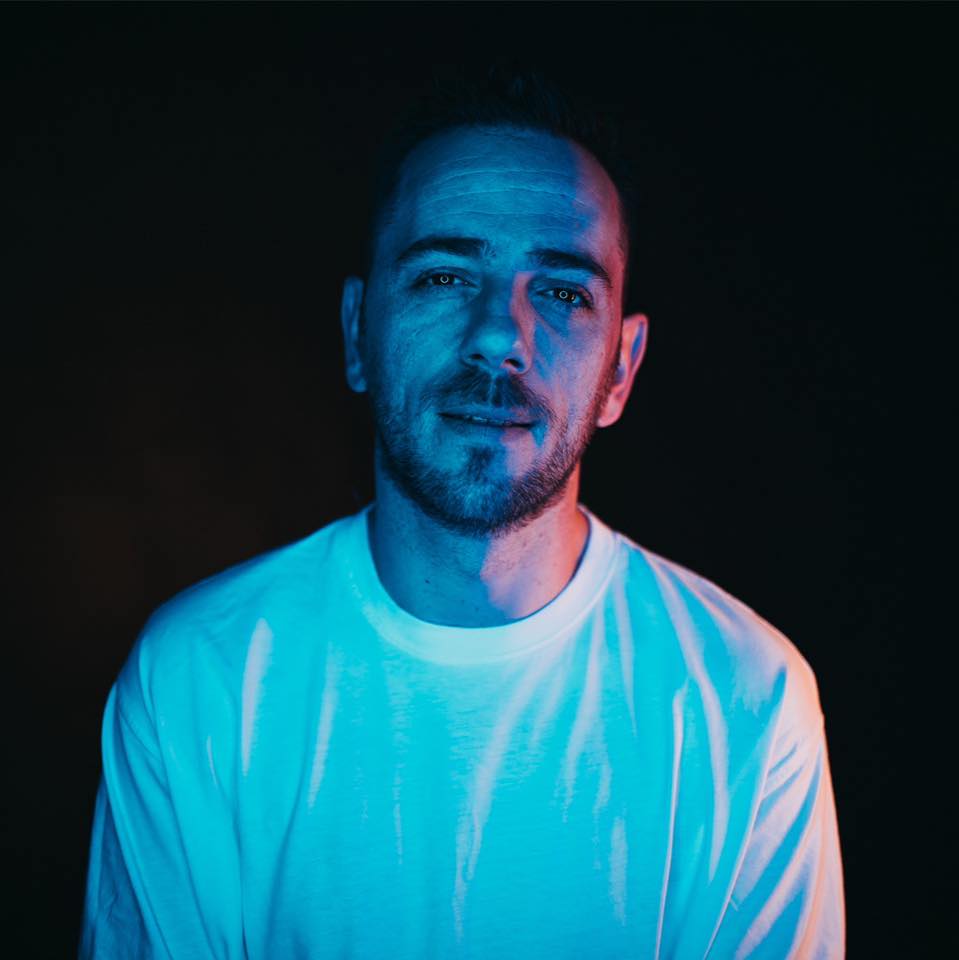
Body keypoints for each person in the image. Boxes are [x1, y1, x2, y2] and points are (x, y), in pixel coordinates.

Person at [80, 68, 845, 959]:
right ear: (357, 332)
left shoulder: (747, 697)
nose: (497, 335)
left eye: (562, 291)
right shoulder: (198, 678)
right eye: (444, 276)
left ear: (620, 369)